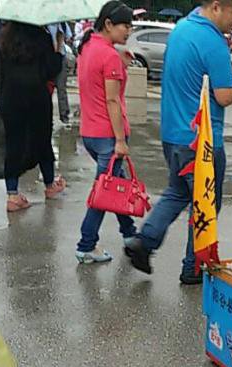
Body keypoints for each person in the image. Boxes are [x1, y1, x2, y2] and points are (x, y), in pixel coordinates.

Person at [126, 0, 232, 285]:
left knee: (177, 192)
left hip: (173, 134)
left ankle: (144, 241)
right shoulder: (213, 41)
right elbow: (224, 96)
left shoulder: (181, 29)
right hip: (201, 142)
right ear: (217, 7)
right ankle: (194, 268)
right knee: (205, 206)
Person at [74, 2, 138, 264]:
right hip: (108, 135)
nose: (128, 32)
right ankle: (86, 244)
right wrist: (120, 140)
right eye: (125, 26)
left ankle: (130, 233)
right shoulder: (109, 55)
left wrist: (120, 63)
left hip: (90, 132)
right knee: (103, 194)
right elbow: (112, 100)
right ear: (109, 24)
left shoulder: (87, 47)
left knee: (113, 183)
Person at [0, 21, 66, 212]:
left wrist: (2, 100)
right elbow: (51, 70)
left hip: (10, 96)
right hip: (36, 96)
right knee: (42, 140)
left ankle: (12, 195)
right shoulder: (42, 37)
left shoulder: (4, 38)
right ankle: (49, 185)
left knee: (13, 143)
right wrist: (58, 48)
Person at [48, 22, 72, 124]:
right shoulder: (44, 24)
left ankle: (64, 115)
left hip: (61, 57)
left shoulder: (62, 23)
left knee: (61, 88)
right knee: (47, 89)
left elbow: (69, 37)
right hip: (47, 58)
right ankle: (47, 115)